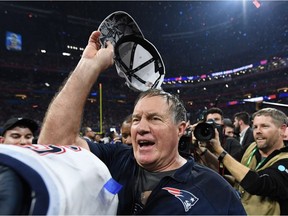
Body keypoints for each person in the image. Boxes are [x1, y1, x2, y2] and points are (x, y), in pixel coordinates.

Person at [38, 31, 246, 215]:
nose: (141, 127)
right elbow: (53, 145)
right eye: (137, 119)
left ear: (180, 129)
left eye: (155, 118)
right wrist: (88, 66)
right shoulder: (117, 160)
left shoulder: (214, 190)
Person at [208, 107, 288, 215]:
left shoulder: (285, 159)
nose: (258, 131)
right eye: (255, 127)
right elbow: (226, 168)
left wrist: (220, 151)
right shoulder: (251, 148)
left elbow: (258, 184)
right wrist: (203, 151)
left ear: (282, 129)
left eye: (264, 126)